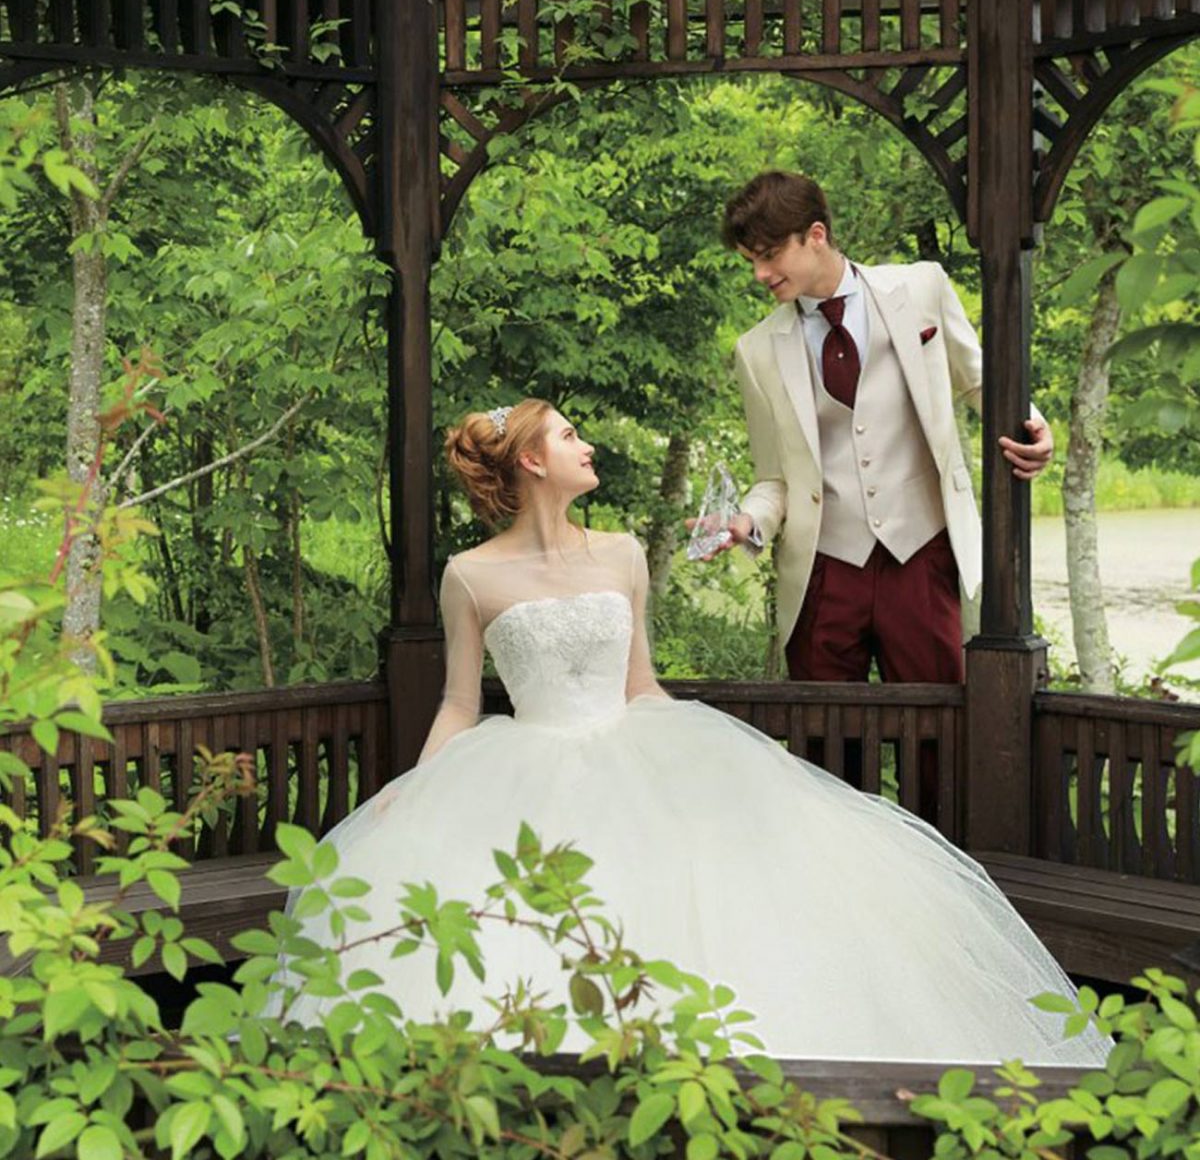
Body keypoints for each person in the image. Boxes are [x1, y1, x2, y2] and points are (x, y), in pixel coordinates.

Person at [272, 397, 1109, 1066]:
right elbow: (460, 703)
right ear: (531, 461)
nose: (586, 445)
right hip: (524, 764)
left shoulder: (622, 554)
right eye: (569, 436)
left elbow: (641, 684)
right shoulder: (470, 575)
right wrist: (417, 789)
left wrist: (728, 764)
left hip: (632, 742)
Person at [708, 171, 1054, 688]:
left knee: (936, 724)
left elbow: (980, 379)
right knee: (823, 730)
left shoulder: (921, 287)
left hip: (922, 554)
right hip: (824, 569)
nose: (760, 273)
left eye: (770, 255)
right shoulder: (755, 351)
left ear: (816, 235)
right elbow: (774, 479)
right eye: (750, 261)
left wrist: (1033, 425)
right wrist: (746, 522)